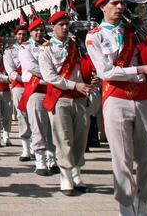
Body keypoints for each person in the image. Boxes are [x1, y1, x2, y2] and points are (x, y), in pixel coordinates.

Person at [86, 0, 147, 216]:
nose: (120, 7)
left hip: (143, 97)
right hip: (116, 99)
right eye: (115, 3)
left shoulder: (135, 31)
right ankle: (126, 207)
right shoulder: (95, 36)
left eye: (122, 4)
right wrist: (140, 68)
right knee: (122, 158)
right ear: (102, 7)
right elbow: (106, 72)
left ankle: (144, 204)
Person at [39, 11, 96, 196]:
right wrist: (74, 84)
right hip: (60, 97)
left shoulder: (77, 46)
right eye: (61, 24)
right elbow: (49, 76)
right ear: (53, 27)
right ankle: (65, 175)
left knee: (80, 137)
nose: (65, 27)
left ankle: (77, 173)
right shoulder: (46, 49)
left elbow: (87, 65)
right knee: (63, 138)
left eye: (67, 24)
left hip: (80, 97)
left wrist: (92, 78)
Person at [19, 12, 59, 176]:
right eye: (35, 30)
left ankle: (52, 159)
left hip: (51, 88)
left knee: (52, 127)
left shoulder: (50, 45)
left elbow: (59, 62)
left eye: (41, 30)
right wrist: (50, 74)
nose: (39, 33)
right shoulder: (25, 47)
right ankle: (40, 161)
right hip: (36, 89)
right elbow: (31, 66)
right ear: (30, 32)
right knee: (38, 126)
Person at [4, 22, 32, 161]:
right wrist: (25, 79)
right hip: (20, 86)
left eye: (24, 34)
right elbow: (11, 71)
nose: (22, 36)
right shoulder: (9, 51)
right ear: (15, 36)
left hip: (35, 86)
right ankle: (26, 148)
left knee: (36, 116)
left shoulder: (33, 48)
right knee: (22, 116)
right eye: (19, 34)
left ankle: (36, 146)